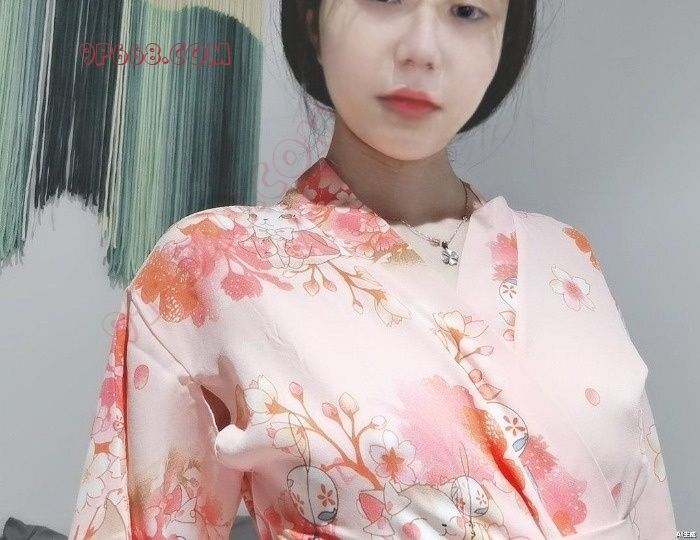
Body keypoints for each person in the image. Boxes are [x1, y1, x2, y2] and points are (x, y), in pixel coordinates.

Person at [68, 0, 676, 538]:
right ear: (313, 15)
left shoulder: (567, 257)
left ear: (504, 36)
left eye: (466, 11)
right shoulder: (209, 263)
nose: (422, 49)